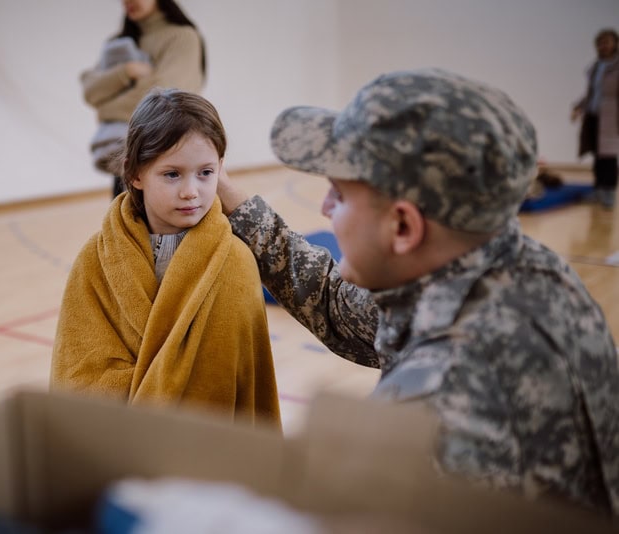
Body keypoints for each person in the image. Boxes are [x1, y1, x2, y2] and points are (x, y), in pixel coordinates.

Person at [216, 68, 619, 514]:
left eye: (339, 194)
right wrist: (232, 198)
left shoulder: (432, 407)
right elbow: (338, 304)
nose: (326, 206)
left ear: (404, 226)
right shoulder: (525, 274)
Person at [51, 89, 280, 430]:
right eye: (172, 174)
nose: (191, 191)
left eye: (205, 173)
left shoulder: (236, 262)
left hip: (203, 448)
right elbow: (79, 373)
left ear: (221, 169)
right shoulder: (94, 260)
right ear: (134, 174)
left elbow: (242, 385)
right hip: (117, 448)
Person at [81, 0, 205, 198]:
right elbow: (90, 90)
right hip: (125, 160)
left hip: (165, 159)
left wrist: (105, 110)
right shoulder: (118, 43)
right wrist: (127, 70)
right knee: (124, 226)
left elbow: (165, 101)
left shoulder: (182, 37)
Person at [572, 28, 619, 210]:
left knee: (608, 157)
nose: (604, 46)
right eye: (601, 42)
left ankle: (609, 193)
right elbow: (591, 93)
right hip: (593, 114)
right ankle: (598, 190)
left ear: (615, 44)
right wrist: (578, 107)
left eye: (607, 42)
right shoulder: (596, 66)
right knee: (597, 156)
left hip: (611, 117)